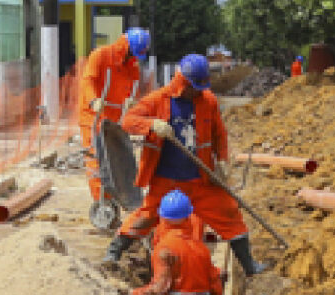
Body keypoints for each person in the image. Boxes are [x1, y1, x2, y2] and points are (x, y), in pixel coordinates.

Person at [105, 54, 264, 277]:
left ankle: (249, 266)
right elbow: (128, 121)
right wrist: (152, 125)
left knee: (229, 213)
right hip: (165, 179)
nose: (198, 91)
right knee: (146, 216)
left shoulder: (208, 101)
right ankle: (113, 252)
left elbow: (219, 133)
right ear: (183, 81)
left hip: (200, 180)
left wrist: (222, 160)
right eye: (194, 86)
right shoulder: (158, 99)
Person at [77, 27, 150, 204]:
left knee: (117, 160)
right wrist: (94, 100)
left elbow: (134, 88)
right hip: (93, 117)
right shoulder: (100, 55)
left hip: (115, 121)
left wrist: (132, 101)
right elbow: (88, 80)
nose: (134, 58)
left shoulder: (132, 64)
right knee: (96, 158)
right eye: (133, 53)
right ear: (126, 47)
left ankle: (118, 196)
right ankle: (102, 202)